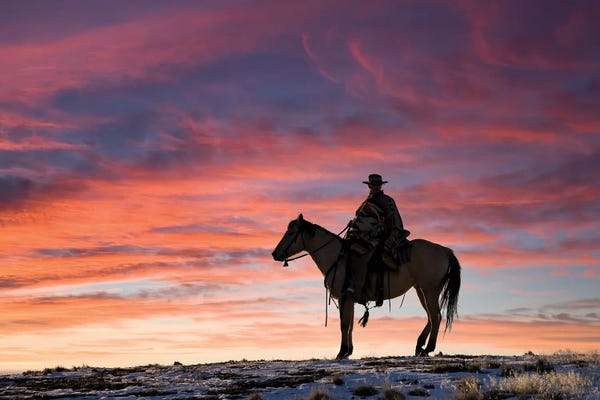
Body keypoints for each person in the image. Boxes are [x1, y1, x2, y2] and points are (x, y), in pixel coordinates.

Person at [345, 174, 407, 299]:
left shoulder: (387, 201)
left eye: (377, 185)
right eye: (373, 185)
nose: (375, 187)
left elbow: (392, 221)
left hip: (380, 236)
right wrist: (355, 225)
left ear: (380, 186)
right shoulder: (368, 201)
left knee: (362, 256)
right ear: (369, 186)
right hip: (366, 235)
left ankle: (357, 290)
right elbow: (365, 219)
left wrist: (379, 232)